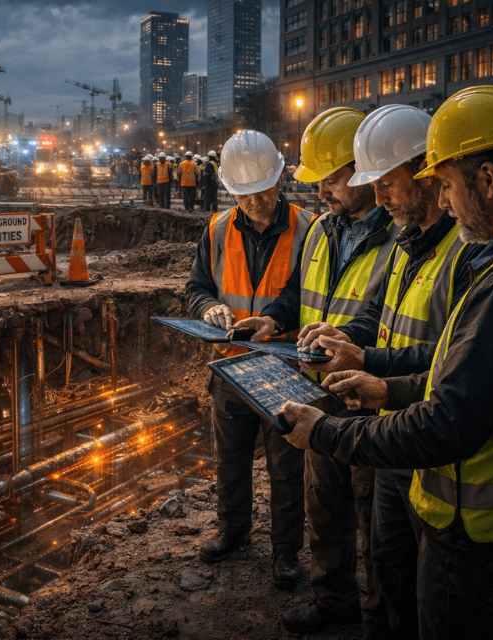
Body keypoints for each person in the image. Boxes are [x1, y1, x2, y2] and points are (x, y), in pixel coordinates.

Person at [281, 86, 493, 640]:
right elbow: (479, 374)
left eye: (447, 183)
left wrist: (327, 432)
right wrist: (390, 389)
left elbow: (450, 421)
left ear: (488, 179)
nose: (445, 200)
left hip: (489, 529)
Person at [295, 104, 483, 640]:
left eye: (387, 184)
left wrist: (369, 363)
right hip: (380, 410)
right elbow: (384, 313)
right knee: (387, 558)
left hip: (424, 432)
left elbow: (453, 360)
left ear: (426, 172)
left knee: (417, 582)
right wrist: (351, 338)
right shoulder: (408, 238)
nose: (379, 199)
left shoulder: (463, 253)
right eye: (370, 184)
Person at [238, 107, 399, 635]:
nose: (321, 192)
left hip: (368, 394)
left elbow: (393, 316)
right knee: (323, 505)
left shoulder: (400, 236)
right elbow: (296, 295)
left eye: (329, 180)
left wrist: (351, 341)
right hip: (315, 389)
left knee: (376, 518)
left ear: (362, 171)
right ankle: (334, 602)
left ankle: (379, 617)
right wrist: (272, 318)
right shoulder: (323, 228)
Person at [186, 130, 315, 591]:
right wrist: (208, 308)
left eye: (262, 191)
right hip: (230, 365)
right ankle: (233, 531)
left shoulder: (310, 229)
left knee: (286, 465)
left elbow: (308, 295)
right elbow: (196, 287)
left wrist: (273, 321)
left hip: (284, 368)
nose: (255, 202)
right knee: (230, 458)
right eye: (244, 194)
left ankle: (285, 550)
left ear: (279, 180)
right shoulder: (218, 229)